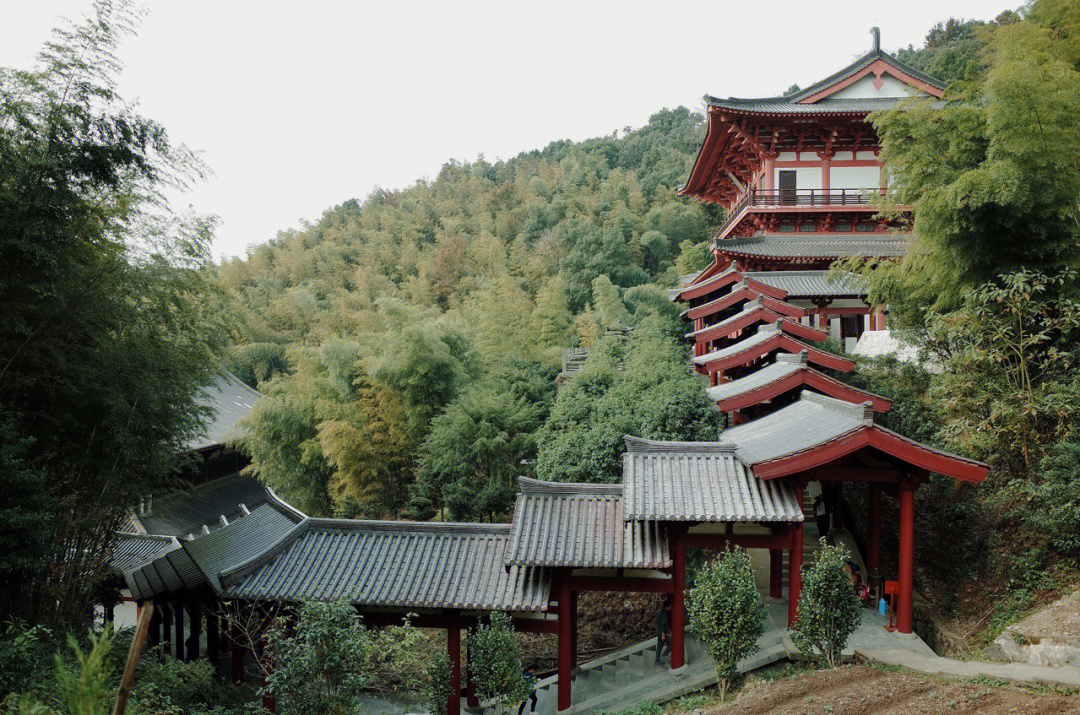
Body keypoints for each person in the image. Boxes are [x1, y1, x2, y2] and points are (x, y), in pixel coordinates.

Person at [654, 598, 672, 664]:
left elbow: (666, 624)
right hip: (662, 632)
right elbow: (662, 625)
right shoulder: (662, 614)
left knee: (660, 646)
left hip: (661, 632)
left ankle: (657, 660)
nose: (670, 608)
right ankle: (665, 654)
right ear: (666, 607)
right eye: (670, 607)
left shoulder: (664, 613)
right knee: (671, 643)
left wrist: (670, 632)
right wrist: (663, 635)